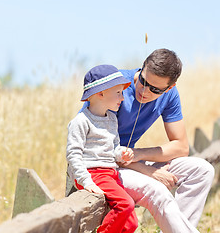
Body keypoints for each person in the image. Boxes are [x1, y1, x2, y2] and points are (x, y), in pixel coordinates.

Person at [78, 49, 215, 233]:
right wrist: (148, 171)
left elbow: (181, 146)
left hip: (128, 161)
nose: (144, 90)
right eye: (143, 81)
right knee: (157, 191)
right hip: (103, 166)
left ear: (170, 88)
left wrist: (139, 155)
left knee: (203, 170)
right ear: (143, 67)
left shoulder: (170, 96)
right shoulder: (115, 88)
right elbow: (94, 145)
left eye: (155, 89)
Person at [67, 64, 138, 233]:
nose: (123, 98)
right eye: (118, 93)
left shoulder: (112, 119)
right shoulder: (81, 122)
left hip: (110, 174)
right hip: (93, 173)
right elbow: (73, 155)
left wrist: (121, 154)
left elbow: (112, 149)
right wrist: (86, 181)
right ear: (101, 93)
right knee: (125, 204)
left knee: (131, 223)